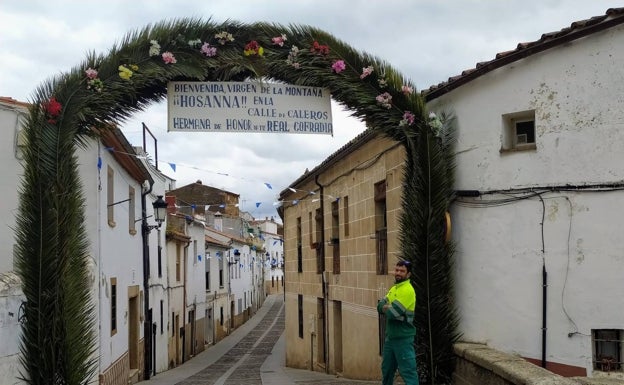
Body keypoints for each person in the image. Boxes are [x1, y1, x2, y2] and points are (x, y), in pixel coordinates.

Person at [377, 259, 418, 385]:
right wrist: (385, 307)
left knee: (408, 373)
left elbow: (393, 313)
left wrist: (387, 307)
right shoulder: (394, 288)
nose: (398, 273)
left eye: (402, 271)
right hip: (391, 338)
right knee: (387, 371)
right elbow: (379, 306)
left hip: (403, 339)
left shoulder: (407, 290)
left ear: (408, 274)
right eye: (397, 270)